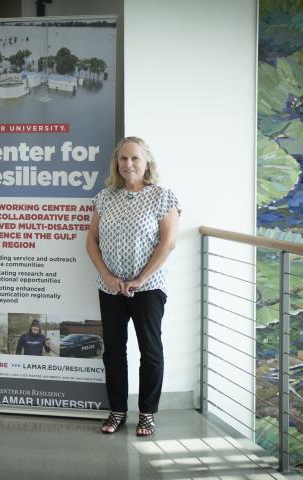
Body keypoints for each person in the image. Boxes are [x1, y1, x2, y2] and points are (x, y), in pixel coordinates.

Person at [86, 136, 181, 437]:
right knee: (113, 351)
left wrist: (140, 279)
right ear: (117, 163)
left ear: (147, 162)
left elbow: (167, 244)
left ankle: (147, 413)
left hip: (149, 287)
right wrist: (109, 277)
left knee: (150, 351)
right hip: (110, 286)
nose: (128, 164)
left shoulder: (162, 197)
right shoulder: (105, 197)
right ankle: (117, 410)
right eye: (123, 159)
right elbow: (91, 241)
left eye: (134, 158)